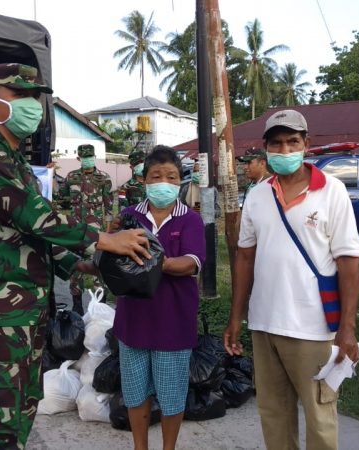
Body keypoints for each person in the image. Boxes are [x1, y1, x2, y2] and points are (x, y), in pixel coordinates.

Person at [0, 63, 150, 450]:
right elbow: (33, 215)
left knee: (22, 407)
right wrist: (104, 240)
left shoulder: (13, 158)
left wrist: (77, 263)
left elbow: (32, 233)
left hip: (21, 309)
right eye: (21, 96)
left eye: (35, 96)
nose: (34, 105)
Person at [223, 110, 359, 450]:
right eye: (277, 143)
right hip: (265, 323)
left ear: (306, 145)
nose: (285, 151)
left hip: (312, 328)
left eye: (292, 142)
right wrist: (236, 317)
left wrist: (348, 328)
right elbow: (245, 258)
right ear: (265, 148)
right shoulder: (257, 195)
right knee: (274, 414)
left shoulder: (332, 191)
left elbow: (349, 262)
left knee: (320, 417)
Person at [112, 145, 206, 450]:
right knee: (136, 394)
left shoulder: (189, 219)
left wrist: (153, 260)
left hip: (173, 323)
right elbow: (113, 258)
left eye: (171, 176)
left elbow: (191, 263)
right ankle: (140, 447)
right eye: (157, 176)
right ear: (144, 180)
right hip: (133, 321)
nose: (164, 182)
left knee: (171, 396)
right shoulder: (129, 216)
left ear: (180, 181)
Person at [57, 144, 113, 311]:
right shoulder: (71, 177)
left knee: (98, 267)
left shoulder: (103, 178)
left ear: (94, 157)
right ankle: (77, 306)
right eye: (84, 157)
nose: (87, 160)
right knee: (75, 268)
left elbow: (108, 205)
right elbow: (62, 199)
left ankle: (101, 306)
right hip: (75, 230)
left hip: (96, 231)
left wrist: (108, 230)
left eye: (90, 157)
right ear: (79, 158)